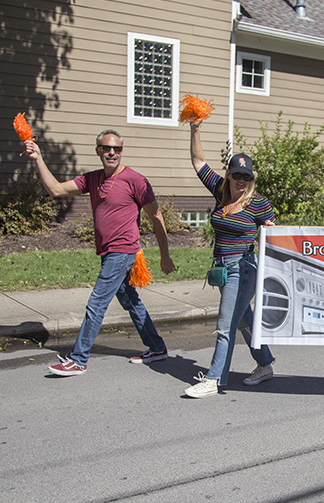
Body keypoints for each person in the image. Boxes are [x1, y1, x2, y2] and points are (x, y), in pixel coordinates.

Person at [24, 131, 175, 376]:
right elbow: (56, 190)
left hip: (123, 251)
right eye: (106, 148)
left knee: (96, 303)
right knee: (131, 302)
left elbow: (156, 215)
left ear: (122, 151)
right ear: (98, 151)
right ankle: (157, 348)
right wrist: (39, 158)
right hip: (108, 252)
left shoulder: (134, 180)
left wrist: (164, 255)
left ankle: (78, 359)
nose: (111, 153)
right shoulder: (93, 179)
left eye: (116, 149)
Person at [184, 123, 277, 398]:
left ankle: (214, 379)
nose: (241, 181)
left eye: (245, 177)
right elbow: (198, 161)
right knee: (242, 319)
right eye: (236, 175)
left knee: (225, 326)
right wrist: (195, 129)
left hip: (243, 268)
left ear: (251, 179)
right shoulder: (220, 191)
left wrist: (271, 230)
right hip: (222, 268)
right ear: (229, 175)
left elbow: (273, 232)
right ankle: (265, 363)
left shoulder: (258, 203)